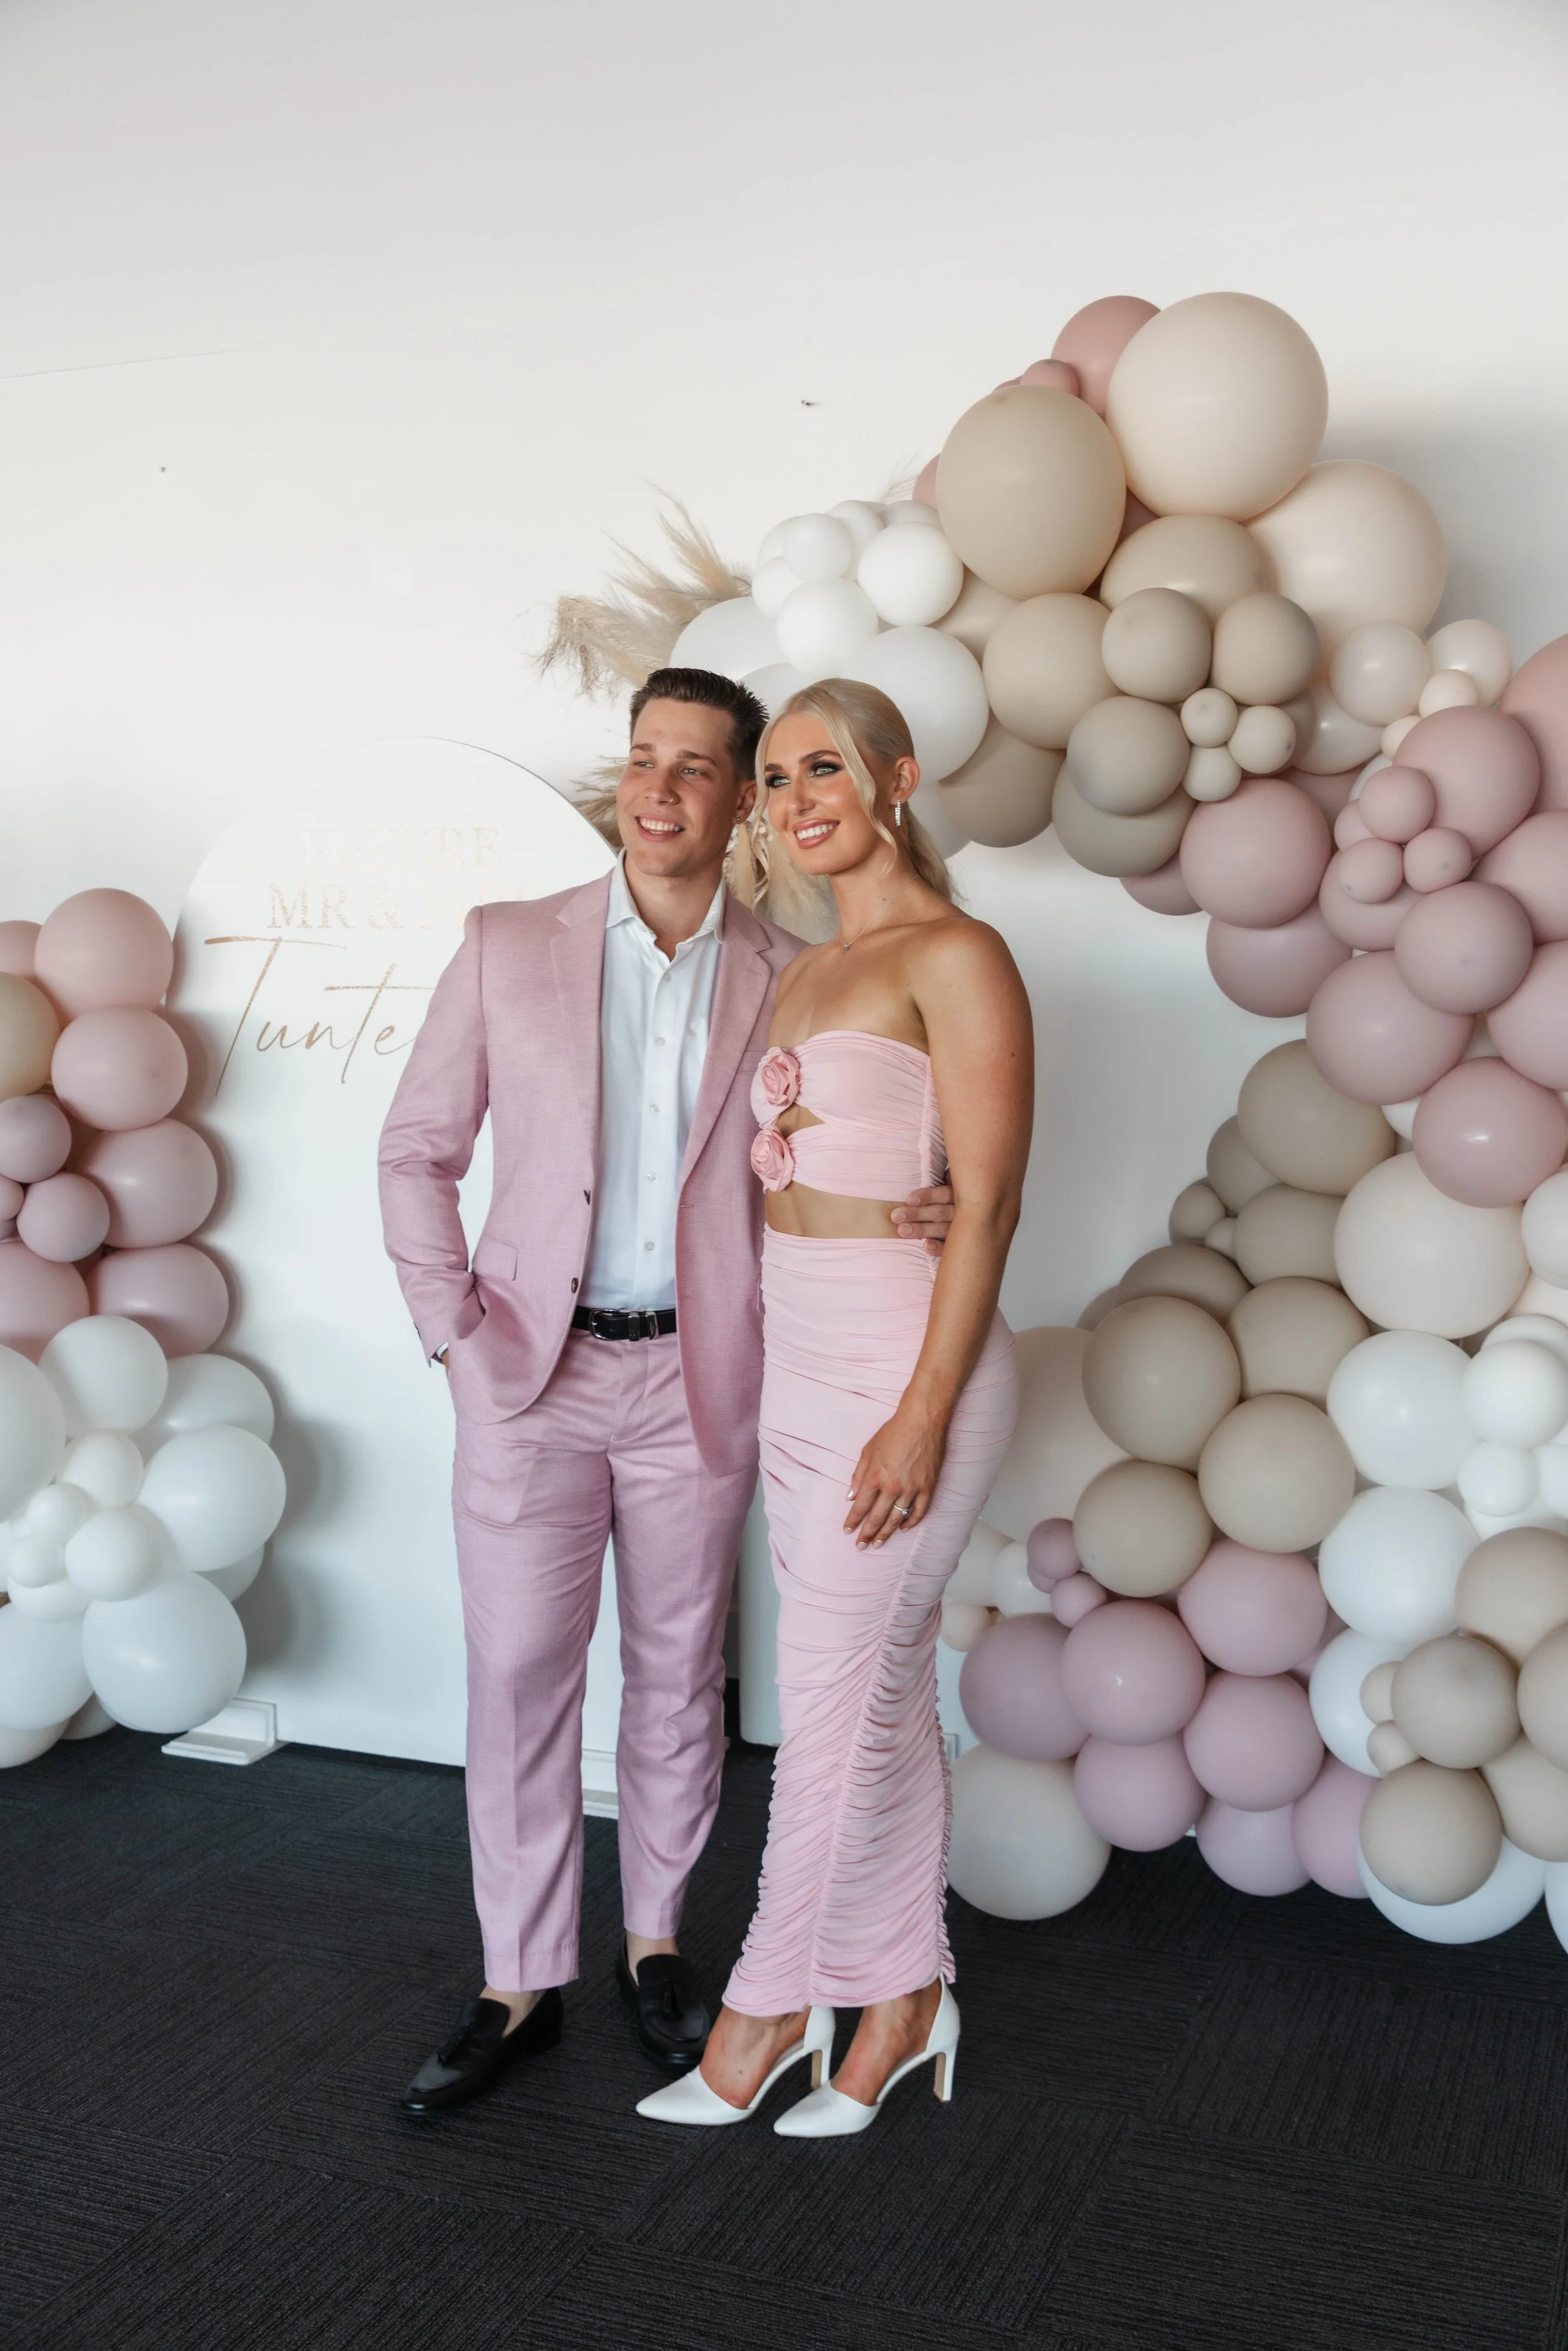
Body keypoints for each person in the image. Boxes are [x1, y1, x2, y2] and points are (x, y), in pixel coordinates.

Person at [377, 666, 956, 2118]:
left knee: (678, 1680)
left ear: (745, 798)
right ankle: (519, 1978)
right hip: (531, 1381)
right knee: (517, 1675)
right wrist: (456, 1332)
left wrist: (927, 1202)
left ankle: (651, 1951)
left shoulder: (789, 970)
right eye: (643, 757)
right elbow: (414, 1148)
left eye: (702, 766)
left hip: (702, 1382)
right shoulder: (509, 944)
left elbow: (843, 1150)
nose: (660, 788)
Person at [637, 679, 1030, 2138]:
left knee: (818, 1709)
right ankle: (904, 1993)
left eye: (826, 767)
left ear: (896, 777)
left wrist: (920, 1410)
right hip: (798, 1369)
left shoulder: (960, 954)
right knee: (876, 1687)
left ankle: (765, 2009)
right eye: (778, 775)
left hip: (902, 1370)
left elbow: (986, 1197)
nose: (795, 797)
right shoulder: (798, 968)